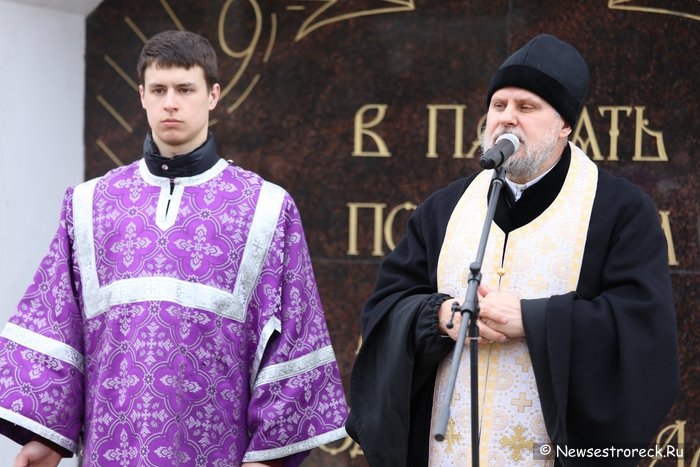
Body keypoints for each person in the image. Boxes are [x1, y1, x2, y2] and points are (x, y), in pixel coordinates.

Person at [0, 30, 348, 467]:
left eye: (185, 89)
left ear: (213, 95)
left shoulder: (266, 208)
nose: (171, 102)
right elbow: (57, 321)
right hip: (113, 451)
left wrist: (268, 457)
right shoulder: (90, 204)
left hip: (217, 453)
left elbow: (295, 336)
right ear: (142, 95)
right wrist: (48, 439)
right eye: (159, 89)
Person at [345, 33, 680, 466]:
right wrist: (440, 317)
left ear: (564, 125)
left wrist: (536, 321)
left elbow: (642, 333)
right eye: (499, 106)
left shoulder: (620, 210)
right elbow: (385, 310)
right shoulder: (444, 208)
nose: (507, 119)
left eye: (527, 108)